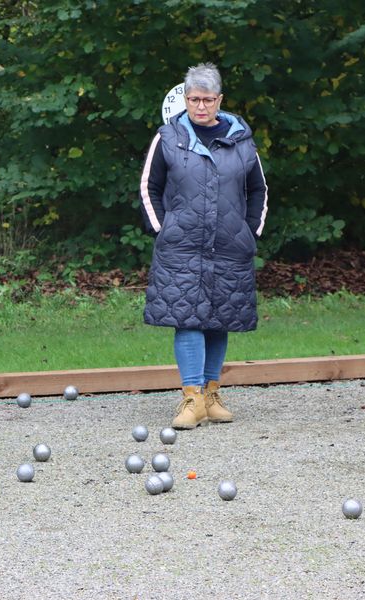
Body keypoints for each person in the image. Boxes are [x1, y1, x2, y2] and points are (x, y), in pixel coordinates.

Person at [139, 62, 269, 430]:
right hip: (181, 247)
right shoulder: (168, 137)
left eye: (207, 99)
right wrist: (164, 230)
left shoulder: (241, 139)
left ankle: (211, 395)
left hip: (230, 245)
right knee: (187, 319)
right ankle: (191, 398)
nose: (200, 106)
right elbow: (150, 187)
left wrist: (250, 233)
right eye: (194, 99)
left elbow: (258, 189)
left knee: (220, 320)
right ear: (185, 98)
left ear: (219, 100)